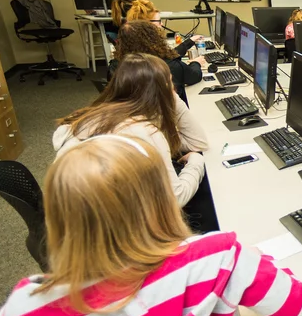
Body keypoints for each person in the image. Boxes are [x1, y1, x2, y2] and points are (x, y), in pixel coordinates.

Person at [0, 135, 302, 316]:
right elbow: (298, 309)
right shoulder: (219, 258)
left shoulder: (20, 310)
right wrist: (258, 262)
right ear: (160, 198)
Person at [54, 53, 208, 211]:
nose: (174, 88)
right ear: (159, 91)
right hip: (118, 226)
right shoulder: (144, 132)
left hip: (78, 219)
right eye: (170, 83)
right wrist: (195, 161)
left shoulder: (94, 116)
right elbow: (175, 199)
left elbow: (195, 142)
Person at [108, 21, 202, 102]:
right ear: (153, 39)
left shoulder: (116, 66)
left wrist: (188, 42)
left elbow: (171, 54)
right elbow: (195, 76)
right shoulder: (166, 66)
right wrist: (196, 63)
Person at [124, 0, 200, 57]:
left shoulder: (134, 45)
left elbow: (170, 56)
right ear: (148, 24)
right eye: (159, 21)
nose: (162, 24)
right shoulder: (150, 50)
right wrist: (196, 64)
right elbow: (170, 61)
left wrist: (189, 41)